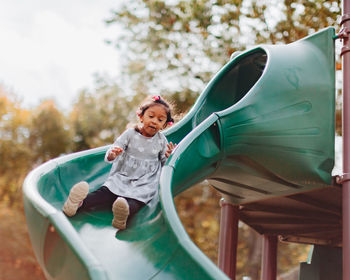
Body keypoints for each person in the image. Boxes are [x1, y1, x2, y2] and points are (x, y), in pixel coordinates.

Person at [62, 95, 176, 230]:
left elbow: (163, 164)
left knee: (136, 202)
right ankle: (77, 204)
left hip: (144, 183)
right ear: (141, 117)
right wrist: (112, 153)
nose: (154, 121)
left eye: (160, 119)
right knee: (103, 194)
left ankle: (122, 216)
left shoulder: (162, 141)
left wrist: (168, 157)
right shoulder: (130, 134)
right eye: (151, 116)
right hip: (123, 177)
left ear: (164, 124)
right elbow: (114, 149)